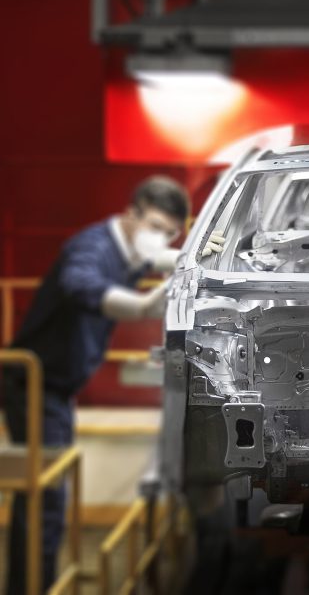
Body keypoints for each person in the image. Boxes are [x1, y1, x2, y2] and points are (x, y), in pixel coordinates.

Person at [1, 176, 223, 593]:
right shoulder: (91, 249)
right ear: (131, 213)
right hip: (32, 386)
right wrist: (142, 305)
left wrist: (186, 257)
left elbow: (148, 260)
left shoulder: (125, 244)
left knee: (49, 498)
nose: (159, 238)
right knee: (45, 504)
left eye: (170, 232)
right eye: (155, 227)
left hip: (55, 387)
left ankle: (32, 582)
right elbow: (81, 285)